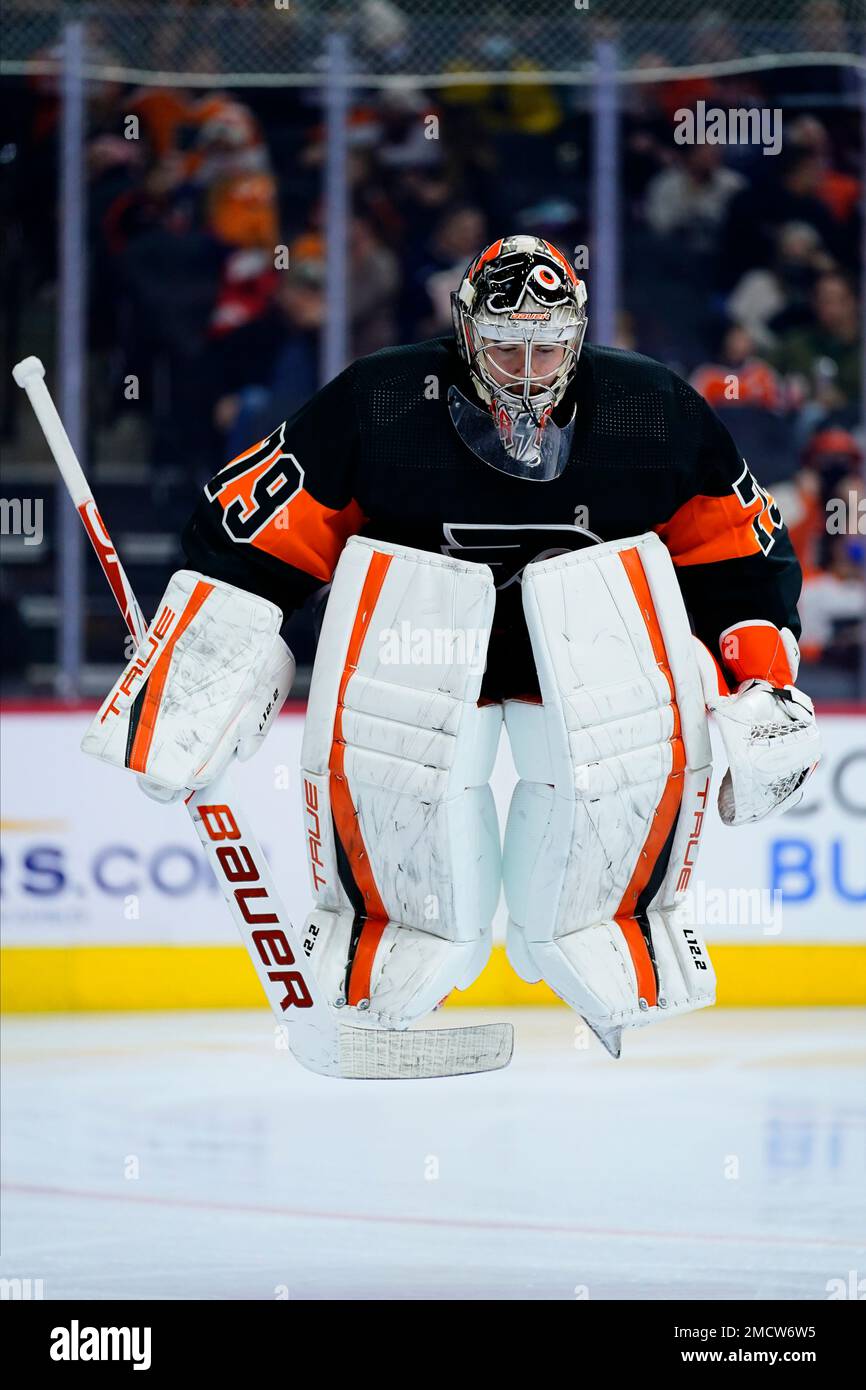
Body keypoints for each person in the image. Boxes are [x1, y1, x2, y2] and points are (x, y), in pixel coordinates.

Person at [83, 235, 820, 1056]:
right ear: (466, 334)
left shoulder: (653, 408)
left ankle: (619, 939)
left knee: (627, 748)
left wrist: (761, 679)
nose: (529, 368)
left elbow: (739, 555)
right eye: (508, 346)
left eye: (548, 344)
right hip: (425, 660)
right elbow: (260, 531)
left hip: (587, 663)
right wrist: (208, 652)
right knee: (399, 793)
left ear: (579, 335)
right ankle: (383, 952)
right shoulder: (384, 400)